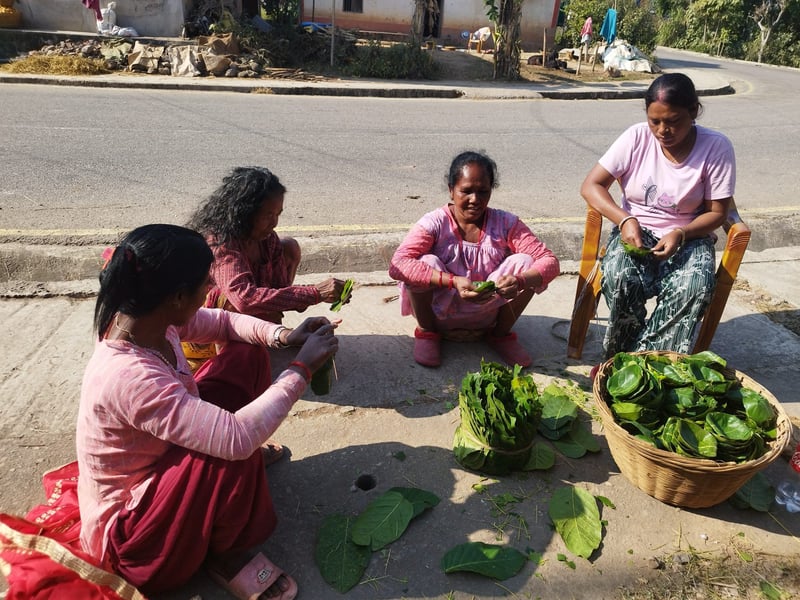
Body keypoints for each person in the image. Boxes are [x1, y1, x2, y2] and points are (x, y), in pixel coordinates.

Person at [77, 224, 338, 599]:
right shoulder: (129, 376)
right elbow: (236, 437)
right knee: (234, 450)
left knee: (247, 352)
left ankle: (222, 490)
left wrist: (285, 337)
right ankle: (225, 554)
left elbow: (224, 322)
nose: (209, 293)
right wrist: (302, 369)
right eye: (204, 285)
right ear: (178, 297)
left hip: (164, 460)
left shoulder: (146, 319)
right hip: (135, 537)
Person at [580, 72, 736, 361]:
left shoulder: (716, 146)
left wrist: (681, 233)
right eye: (655, 121)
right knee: (621, 277)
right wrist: (624, 219)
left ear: (693, 112)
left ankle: (650, 363)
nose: (663, 130)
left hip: (689, 237)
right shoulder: (636, 137)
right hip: (636, 233)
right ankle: (620, 360)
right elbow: (591, 185)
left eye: (673, 121)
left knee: (693, 287)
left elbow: (718, 213)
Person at [389, 150, 560, 368]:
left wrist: (519, 281)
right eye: (466, 191)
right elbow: (399, 264)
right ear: (451, 191)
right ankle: (427, 332)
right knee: (424, 263)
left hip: (487, 311)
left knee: (526, 262)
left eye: (483, 192)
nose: (475, 200)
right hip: (439, 313)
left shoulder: (505, 223)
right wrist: (452, 281)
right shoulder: (434, 223)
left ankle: (500, 334)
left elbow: (550, 262)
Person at [187, 166, 350, 326]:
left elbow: (281, 291)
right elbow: (244, 300)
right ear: (245, 213)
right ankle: (234, 348)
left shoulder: (268, 240)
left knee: (289, 247)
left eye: (278, 214)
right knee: (229, 300)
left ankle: (265, 328)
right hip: (203, 326)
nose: (274, 223)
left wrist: (324, 294)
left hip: (248, 313)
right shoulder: (221, 243)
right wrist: (315, 293)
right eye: (268, 215)